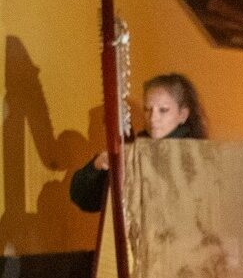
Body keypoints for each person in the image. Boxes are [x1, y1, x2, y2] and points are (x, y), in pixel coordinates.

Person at [70, 73, 208, 212]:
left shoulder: (198, 157)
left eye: (163, 110)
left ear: (182, 115)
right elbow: (85, 200)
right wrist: (97, 165)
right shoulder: (135, 150)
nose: (153, 118)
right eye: (148, 110)